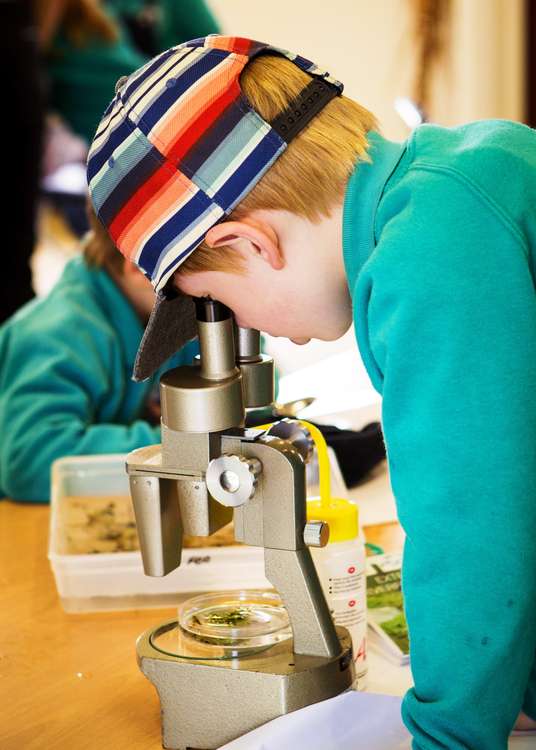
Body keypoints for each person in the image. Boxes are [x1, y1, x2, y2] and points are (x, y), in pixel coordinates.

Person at [87, 35, 536, 748]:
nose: (241, 331)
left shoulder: (427, 259)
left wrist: (451, 731)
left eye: (216, 301)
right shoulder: (464, 174)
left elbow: (472, 529)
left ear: (251, 245)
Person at [0, 204, 198, 503]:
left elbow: (248, 399)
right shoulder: (54, 337)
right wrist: (185, 443)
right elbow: (29, 462)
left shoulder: (187, 307)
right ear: (142, 267)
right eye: (207, 267)